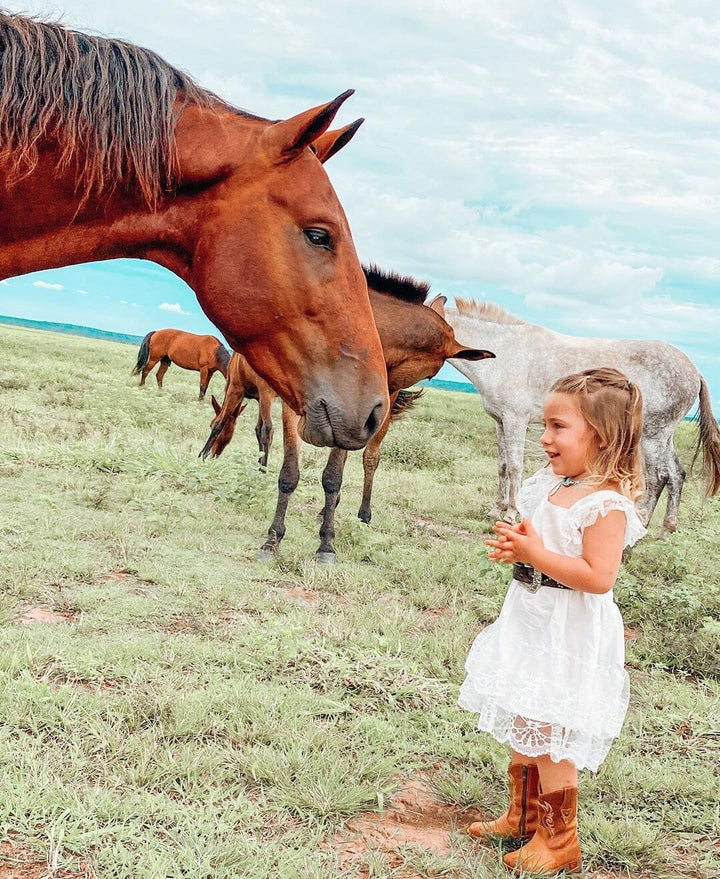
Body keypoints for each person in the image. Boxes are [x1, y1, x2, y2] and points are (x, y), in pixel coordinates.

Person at [458, 367, 647, 874]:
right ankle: (522, 814)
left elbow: (597, 576)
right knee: (526, 712)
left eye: (558, 427)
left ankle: (560, 839)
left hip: (569, 630)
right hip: (532, 617)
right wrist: (519, 547)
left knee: (553, 727)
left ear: (601, 437)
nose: (544, 437)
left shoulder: (605, 503)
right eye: (545, 425)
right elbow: (543, 545)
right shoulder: (555, 484)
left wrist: (537, 554)